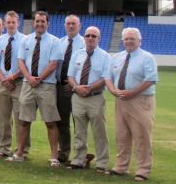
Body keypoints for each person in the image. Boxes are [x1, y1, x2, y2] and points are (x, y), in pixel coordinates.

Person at [7, 11, 64, 167]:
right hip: (28, 84)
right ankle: (19, 153)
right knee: (24, 121)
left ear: (48, 23)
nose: (40, 24)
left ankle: (54, 156)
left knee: (50, 122)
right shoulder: (26, 40)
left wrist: (39, 78)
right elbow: (21, 62)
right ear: (33, 23)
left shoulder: (54, 42)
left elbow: (53, 64)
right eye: (37, 21)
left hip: (46, 86)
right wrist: (29, 77)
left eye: (43, 21)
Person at [105, 27, 158, 181]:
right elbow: (108, 76)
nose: (128, 41)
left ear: (139, 41)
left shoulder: (146, 57)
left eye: (132, 39)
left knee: (141, 135)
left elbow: (151, 78)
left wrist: (133, 92)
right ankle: (121, 167)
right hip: (120, 100)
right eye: (126, 39)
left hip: (140, 101)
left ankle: (143, 170)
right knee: (122, 135)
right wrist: (113, 90)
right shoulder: (117, 57)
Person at [66, 26, 110, 172]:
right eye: (88, 35)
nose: (90, 38)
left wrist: (89, 88)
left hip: (95, 98)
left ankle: (102, 162)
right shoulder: (77, 54)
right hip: (78, 97)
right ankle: (78, 159)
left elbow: (105, 78)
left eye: (94, 36)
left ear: (99, 39)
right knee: (79, 131)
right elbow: (70, 75)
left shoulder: (105, 56)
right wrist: (76, 87)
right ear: (84, 38)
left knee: (99, 131)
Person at [0, 11, 27, 158]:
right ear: (5, 24)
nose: (11, 25)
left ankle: (21, 149)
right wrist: (4, 79)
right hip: (1, 83)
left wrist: (12, 77)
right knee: (3, 118)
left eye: (13, 22)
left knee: (20, 119)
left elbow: (25, 63)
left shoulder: (25, 40)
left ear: (18, 23)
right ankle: (4, 148)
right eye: (9, 22)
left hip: (18, 83)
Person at [56, 14, 85, 163]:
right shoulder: (59, 43)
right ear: (65, 25)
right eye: (68, 24)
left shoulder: (85, 43)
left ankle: (79, 155)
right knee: (62, 122)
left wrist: (73, 83)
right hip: (61, 89)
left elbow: (85, 68)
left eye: (73, 24)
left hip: (78, 89)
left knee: (79, 123)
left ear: (79, 26)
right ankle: (64, 152)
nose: (71, 26)